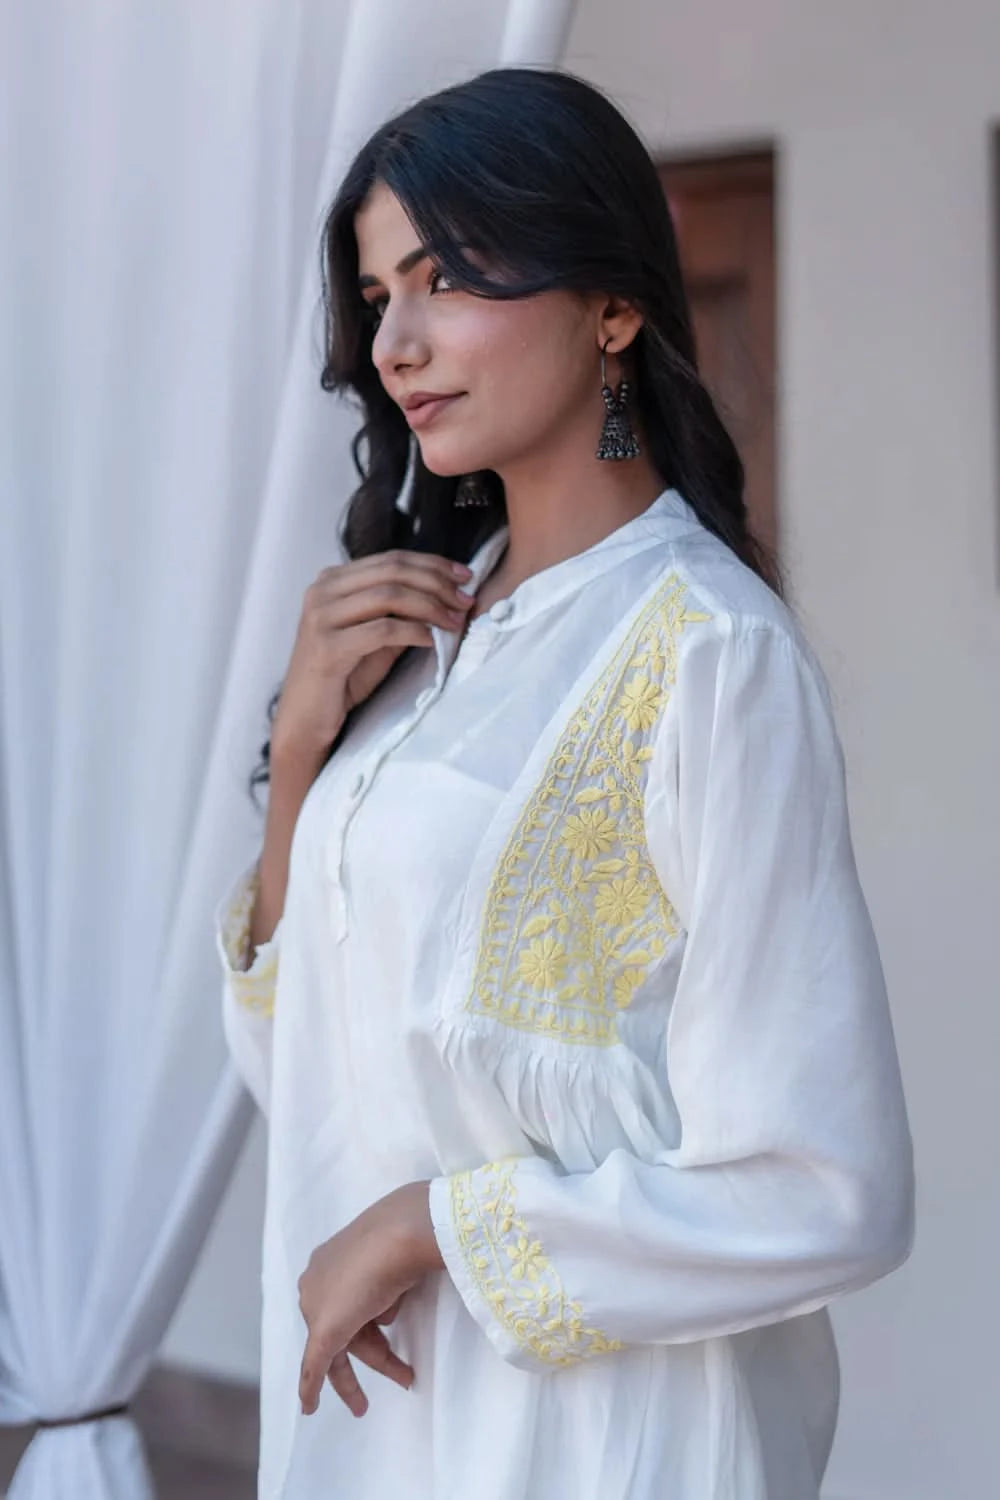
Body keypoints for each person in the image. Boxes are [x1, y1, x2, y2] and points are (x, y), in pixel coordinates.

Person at [215, 66, 914, 1500]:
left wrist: (428, 1227)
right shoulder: (422, 638)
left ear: (613, 304)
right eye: (375, 295)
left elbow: (829, 1190)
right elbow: (314, 1075)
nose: (396, 342)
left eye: (447, 278)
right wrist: (299, 756)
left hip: (606, 1445)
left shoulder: (711, 658)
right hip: (377, 1435)